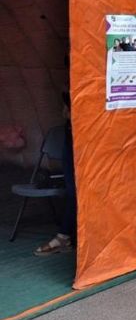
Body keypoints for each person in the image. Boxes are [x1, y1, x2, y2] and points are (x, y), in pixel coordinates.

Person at [34, 92, 77, 256]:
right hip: (71, 135)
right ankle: (65, 236)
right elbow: (66, 110)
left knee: (79, 192)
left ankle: (65, 236)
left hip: (88, 135)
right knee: (73, 191)